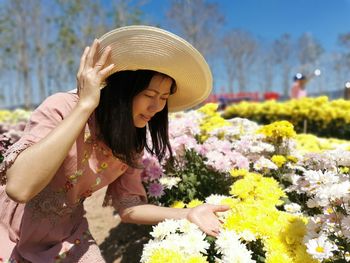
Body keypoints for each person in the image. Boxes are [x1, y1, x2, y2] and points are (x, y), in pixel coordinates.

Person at [0, 26, 229, 262]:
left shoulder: (129, 143)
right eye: (149, 95)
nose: (156, 107)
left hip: (67, 236)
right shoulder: (63, 108)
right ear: (121, 91)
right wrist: (85, 106)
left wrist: (189, 213)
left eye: (163, 98)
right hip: (9, 232)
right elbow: (19, 188)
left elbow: (129, 207)